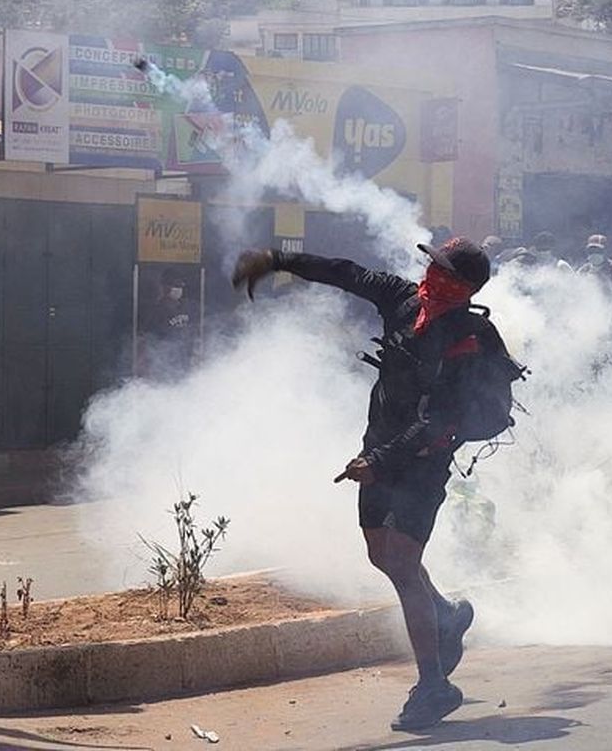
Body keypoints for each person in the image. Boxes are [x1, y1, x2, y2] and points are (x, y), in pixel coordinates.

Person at [231, 238, 490, 730]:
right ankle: (447, 615)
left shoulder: (465, 337)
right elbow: (346, 271)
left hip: (421, 461)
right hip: (376, 449)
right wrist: (279, 260)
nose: (429, 271)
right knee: (382, 555)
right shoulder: (403, 299)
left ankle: (434, 686)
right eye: (431, 263)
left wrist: (381, 461)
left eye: (441, 268)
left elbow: (441, 421)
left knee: (405, 564)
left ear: (461, 285)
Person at [139, 267, 197, 375]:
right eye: (175, 285)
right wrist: (145, 366)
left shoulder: (188, 308)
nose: (178, 289)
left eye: (180, 286)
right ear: (165, 287)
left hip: (186, 365)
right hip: (163, 366)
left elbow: (194, 334)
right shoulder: (156, 312)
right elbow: (145, 341)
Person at [577, 233, 612, 328]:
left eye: (598, 251)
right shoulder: (582, 273)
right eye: (591, 251)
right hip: (588, 328)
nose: (594, 254)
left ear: (605, 251)